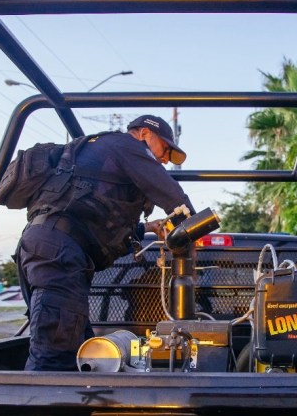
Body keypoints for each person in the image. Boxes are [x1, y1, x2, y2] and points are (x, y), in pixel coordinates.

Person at [13, 115, 194, 371]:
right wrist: (194, 224)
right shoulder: (128, 146)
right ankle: (36, 409)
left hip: (47, 247)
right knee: (53, 355)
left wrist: (147, 228)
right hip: (59, 253)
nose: (164, 159)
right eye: (165, 149)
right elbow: (171, 194)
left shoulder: (102, 152)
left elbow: (90, 215)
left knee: (82, 352)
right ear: (144, 134)